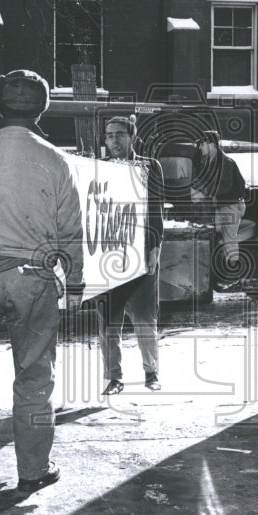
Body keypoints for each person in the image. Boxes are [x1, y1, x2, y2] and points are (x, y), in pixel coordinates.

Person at [0, 69, 84, 504]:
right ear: (43, 108)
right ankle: (33, 471)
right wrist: (76, 282)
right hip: (33, 277)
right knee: (34, 375)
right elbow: (71, 230)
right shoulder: (55, 159)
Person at [96, 115, 165, 395]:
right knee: (108, 320)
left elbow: (157, 210)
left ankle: (151, 373)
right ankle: (114, 377)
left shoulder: (149, 167)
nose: (114, 140)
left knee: (145, 317)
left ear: (132, 136)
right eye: (110, 135)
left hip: (141, 251)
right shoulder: (98, 168)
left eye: (120, 134)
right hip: (109, 253)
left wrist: (155, 248)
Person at [190, 130, 247, 291]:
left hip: (231, 205)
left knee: (229, 239)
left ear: (211, 144)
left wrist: (203, 193)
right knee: (216, 238)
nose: (199, 147)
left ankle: (234, 276)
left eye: (201, 144)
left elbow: (225, 187)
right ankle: (222, 275)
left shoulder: (225, 163)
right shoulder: (211, 162)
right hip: (222, 205)